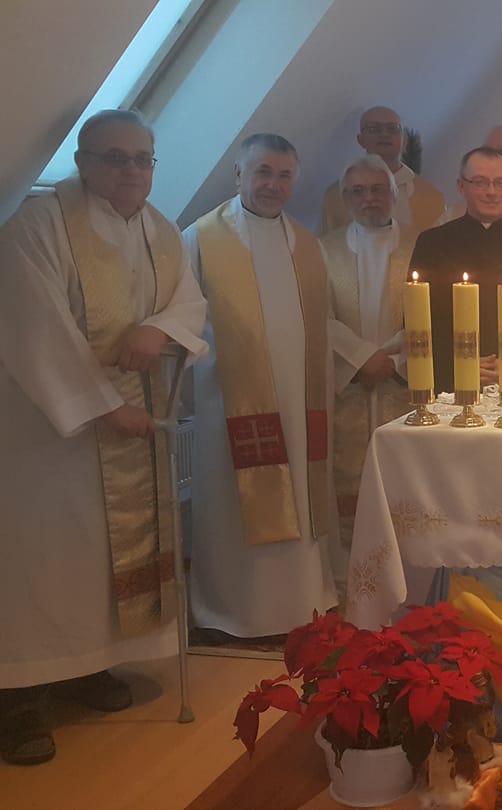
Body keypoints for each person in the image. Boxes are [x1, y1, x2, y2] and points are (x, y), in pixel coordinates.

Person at [0, 109, 207, 766]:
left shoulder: (161, 231)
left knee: (97, 562)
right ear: (82, 162)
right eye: (114, 157)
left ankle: (85, 666)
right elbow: (34, 324)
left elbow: (189, 303)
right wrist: (102, 406)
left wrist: (157, 330)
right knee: (44, 559)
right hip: (49, 434)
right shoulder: (39, 223)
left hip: (133, 424)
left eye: (142, 159)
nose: (130, 171)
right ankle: (16, 697)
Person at [184, 133, 338, 638]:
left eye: (284, 175)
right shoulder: (201, 238)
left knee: (302, 496)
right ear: (238, 175)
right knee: (236, 506)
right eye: (263, 172)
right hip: (230, 404)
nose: (274, 184)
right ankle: (235, 610)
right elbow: (182, 319)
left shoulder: (307, 243)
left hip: (303, 403)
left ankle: (303, 602)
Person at [409, 146, 502, 393]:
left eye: (501, 183)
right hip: (451, 383)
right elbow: (420, 320)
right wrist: (462, 363)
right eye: (480, 183)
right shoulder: (432, 244)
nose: (492, 192)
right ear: (461, 186)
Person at [320, 155, 412, 560]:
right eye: (358, 191)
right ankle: (349, 577)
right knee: (348, 492)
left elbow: (431, 315)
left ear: (393, 195)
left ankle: (408, 577)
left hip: (402, 386)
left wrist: (395, 360)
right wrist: (361, 358)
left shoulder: (420, 246)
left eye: (377, 190)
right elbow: (318, 316)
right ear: (345, 198)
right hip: (350, 389)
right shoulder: (322, 251)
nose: (368, 198)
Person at [318, 106, 445, 235]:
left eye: (392, 128)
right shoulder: (337, 195)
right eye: (374, 129)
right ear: (360, 140)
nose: (384, 134)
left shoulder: (431, 197)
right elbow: (328, 244)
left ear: (404, 141)